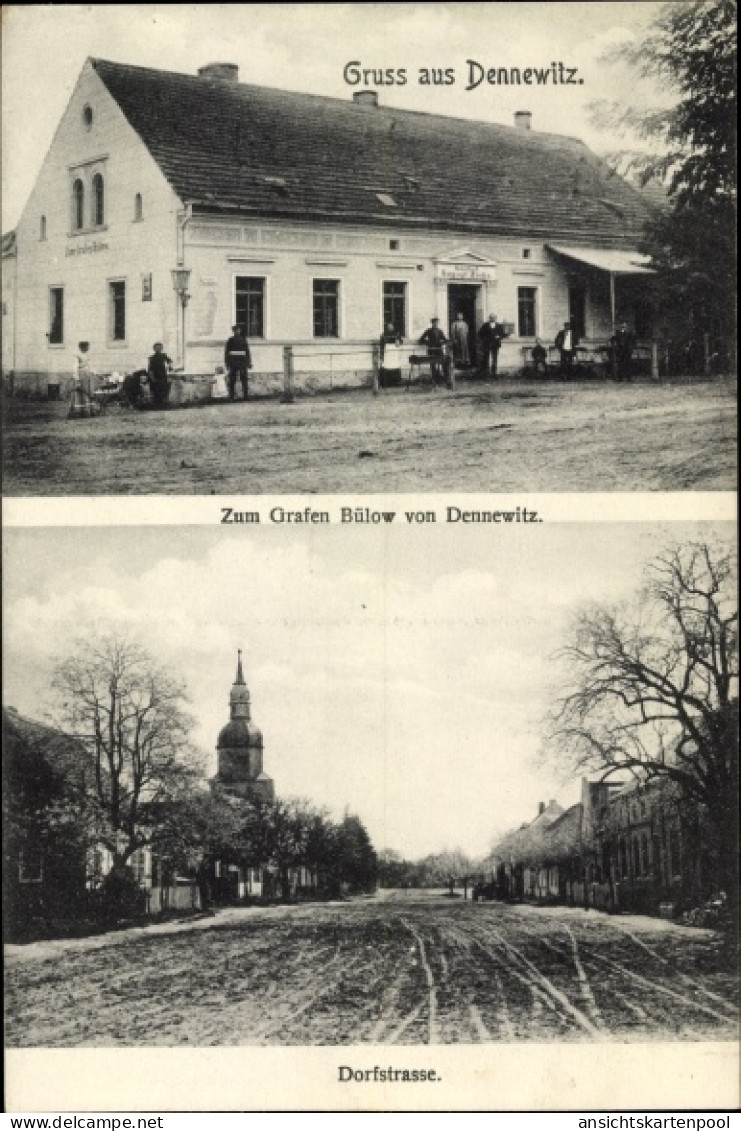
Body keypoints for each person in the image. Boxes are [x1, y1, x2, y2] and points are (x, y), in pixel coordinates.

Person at [68, 341, 97, 417]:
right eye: (86, 347)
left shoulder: (88, 355)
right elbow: (75, 368)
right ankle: (81, 411)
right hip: (81, 376)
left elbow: (90, 366)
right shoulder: (77, 356)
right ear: (82, 347)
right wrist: (77, 379)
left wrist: (94, 373)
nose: (88, 348)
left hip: (88, 376)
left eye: (88, 347)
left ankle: (90, 410)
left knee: (89, 393)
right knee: (82, 393)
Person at [224, 324, 252, 401]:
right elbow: (226, 352)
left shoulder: (243, 340)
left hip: (242, 362)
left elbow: (247, 352)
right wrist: (227, 363)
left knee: (244, 379)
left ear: (240, 331)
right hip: (233, 362)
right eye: (236, 330)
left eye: (238, 330)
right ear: (233, 331)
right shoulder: (230, 340)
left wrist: (249, 362)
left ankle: (246, 396)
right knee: (232, 380)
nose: (237, 331)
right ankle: (231, 396)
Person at [418, 317, 449, 382]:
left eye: (437, 323)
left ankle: (446, 378)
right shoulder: (429, 331)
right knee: (433, 365)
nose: (436, 324)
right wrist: (428, 343)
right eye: (434, 323)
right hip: (431, 350)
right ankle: (435, 379)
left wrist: (445, 342)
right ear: (432, 323)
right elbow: (421, 340)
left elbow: (444, 339)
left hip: (439, 350)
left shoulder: (440, 331)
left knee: (444, 362)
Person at [147, 342, 173, 407]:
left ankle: (163, 402)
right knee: (155, 389)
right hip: (155, 375)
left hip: (162, 375)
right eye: (157, 348)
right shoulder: (152, 358)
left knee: (164, 388)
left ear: (161, 349)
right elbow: (150, 369)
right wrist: (152, 377)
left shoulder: (163, 356)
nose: (158, 349)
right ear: (154, 349)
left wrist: (170, 367)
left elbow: (169, 361)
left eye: (160, 348)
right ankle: (156, 403)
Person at [379, 322, 403, 387]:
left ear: (393, 327)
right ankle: (386, 383)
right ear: (387, 327)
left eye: (391, 326)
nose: (390, 327)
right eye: (389, 326)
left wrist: (398, 342)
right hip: (387, 352)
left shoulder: (397, 334)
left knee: (395, 365)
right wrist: (381, 355)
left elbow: (400, 342)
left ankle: (395, 382)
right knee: (386, 366)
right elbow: (381, 345)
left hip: (394, 353)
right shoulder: (384, 335)